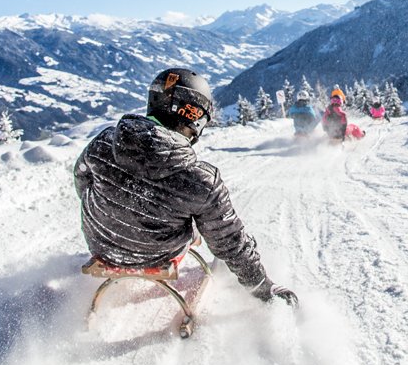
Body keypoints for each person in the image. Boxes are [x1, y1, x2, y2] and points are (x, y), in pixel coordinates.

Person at [74, 68, 298, 306]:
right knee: (206, 226)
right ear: (194, 116)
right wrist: (262, 287)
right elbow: (230, 242)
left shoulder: (103, 143)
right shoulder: (201, 180)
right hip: (157, 256)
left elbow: (82, 182)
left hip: (102, 247)